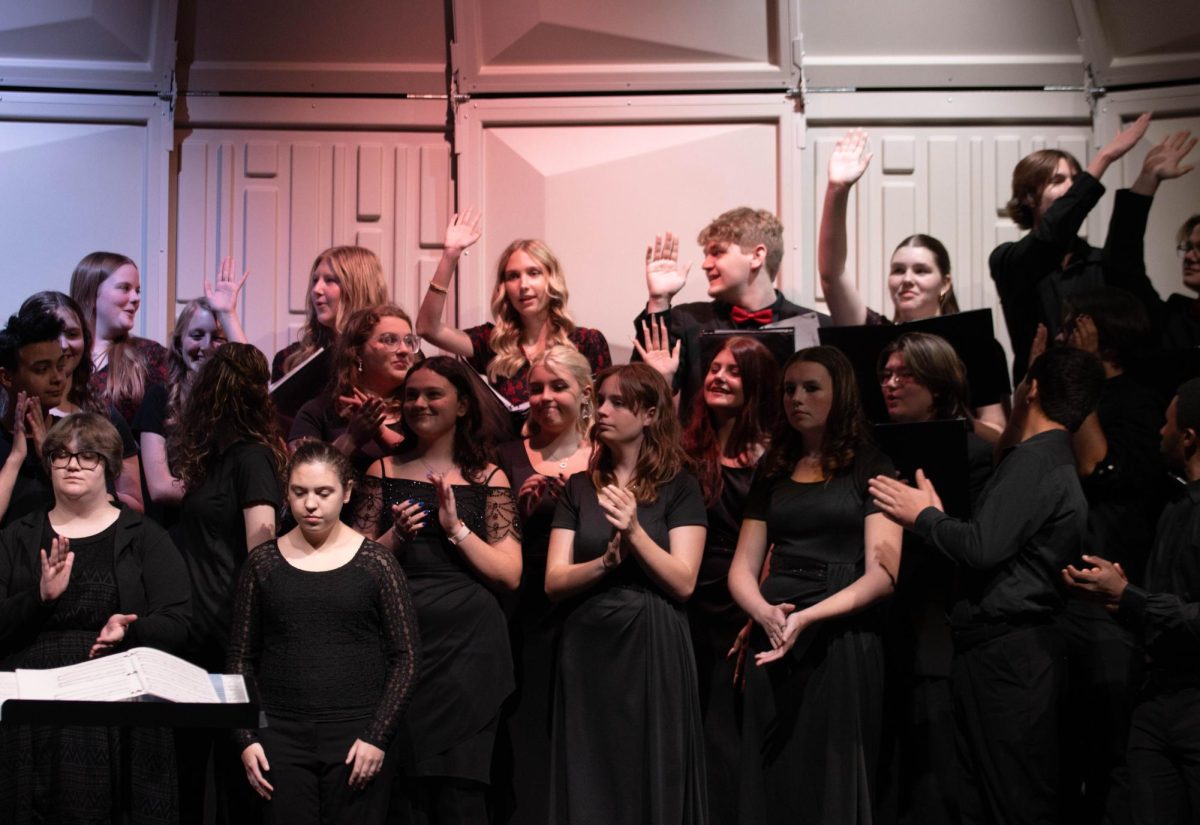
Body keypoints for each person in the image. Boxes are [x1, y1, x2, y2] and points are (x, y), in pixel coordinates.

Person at [869, 346, 1107, 825]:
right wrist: (937, 519)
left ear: (1032, 388)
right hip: (1010, 656)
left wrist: (925, 517)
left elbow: (981, 547)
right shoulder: (1049, 459)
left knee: (1010, 802)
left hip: (1008, 659)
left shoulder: (1034, 461)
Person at [727, 346, 901, 824]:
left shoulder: (871, 465)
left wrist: (809, 617)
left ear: (839, 393)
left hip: (840, 633)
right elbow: (742, 567)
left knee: (831, 773)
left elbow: (883, 577)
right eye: (788, 389)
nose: (795, 398)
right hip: (777, 629)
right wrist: (763, 613)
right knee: (773, 773)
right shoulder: (774, 467)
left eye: (811, 388)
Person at [0, 412, 190, 824]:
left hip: (118, 712)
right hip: (34, 717)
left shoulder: (143, 537)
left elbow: (179, 621)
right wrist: (40, 597)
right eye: (60, 455)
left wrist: (131, 629)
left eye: (86, 456)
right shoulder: (18, 536)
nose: (71, 464)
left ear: (108, 466)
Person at [355, 355, 521, 823]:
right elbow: (356, 570)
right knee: (402, 790)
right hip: (398, 644)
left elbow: (510, 574)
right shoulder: (382, 471)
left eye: (433, 394)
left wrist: (456, 529)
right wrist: (396, 538)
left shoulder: (489, 477)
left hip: (468, 655)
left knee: (459, 792)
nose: (419, 404)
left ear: (463, 405)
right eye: (410, 395)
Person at [545, 362, 708, 824]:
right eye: (602, 401)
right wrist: (604, 563)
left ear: (651, 414)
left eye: (619, 402)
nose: (604, 410)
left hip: (652, 640)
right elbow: (554, 582)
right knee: (591, 770)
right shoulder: (579, 487)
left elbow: (683, 581)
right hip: (588, 642)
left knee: (651, 770)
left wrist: (635, 532)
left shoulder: (680, 487)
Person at [228, 440, 421, 825]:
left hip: (356, 737)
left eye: (323, 492)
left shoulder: (376, 563)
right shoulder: (263, 563)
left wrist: (377, 735)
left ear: (347, 492)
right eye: (299, 492)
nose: (310, 504)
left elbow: (407, 658)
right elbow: (239, 659)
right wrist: (246, 739)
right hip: (279, 738)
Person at [1063, 377, 1200, 825]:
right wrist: (1120, 601)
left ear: (1189, 437)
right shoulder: (1176, 507)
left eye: (1167, 423)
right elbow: (1165, 604)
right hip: (1155, 700)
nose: (1159, 432)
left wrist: (1132, 599)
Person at [873, 332, 995, 825]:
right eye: (886, 374)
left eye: (906, 374)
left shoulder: (972, 452)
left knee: (931, 779)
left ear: (939, 385)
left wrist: (928, 519)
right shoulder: (871, 448)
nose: (892, 383)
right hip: (876, 624)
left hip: (934, 627)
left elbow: (979, 546)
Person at [818, 128, 1007, 434]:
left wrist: (949, 414)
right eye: (898, 270)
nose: (907, 280)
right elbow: (831, 276)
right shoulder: (873, 334)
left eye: (921, 270)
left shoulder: (977, 342)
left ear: (944, 283)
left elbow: (998, 431)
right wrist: (837, 190)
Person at [168, 342, 285, 825]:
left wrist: (247, 634)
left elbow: (263, 547)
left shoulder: (252, 458)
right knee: (188, 773)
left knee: (237, 780)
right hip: (195, 634)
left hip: (229, 633)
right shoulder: (212, 461)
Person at [493, 345, 595, 825]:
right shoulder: (507, 455)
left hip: (588, 605)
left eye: (558, 387)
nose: (545, 397)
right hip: (520, 608)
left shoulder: (606, 456)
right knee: (527, 725)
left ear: (585, 394)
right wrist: (516, 505)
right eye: (536, 388)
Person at [679, 335, 778, 825]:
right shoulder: (687, 445)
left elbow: (778, 538)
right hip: (687, 594)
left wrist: (754, 610)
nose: (718, 377)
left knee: (730, 730)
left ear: (756, 384)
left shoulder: (773, 455)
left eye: (733, 371)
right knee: (689, 723)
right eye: (714, 368)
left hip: (743, 597)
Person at [990, 112, 1162, 382]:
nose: (1072, 187)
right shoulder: (1008, 260)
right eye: (1058, 181)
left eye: (1076, 178)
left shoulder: (1099, 263)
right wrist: (1103, 159)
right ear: (1028, 197)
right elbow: (1048, 238)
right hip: (1040, 398)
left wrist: (1149, 178)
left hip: (1102, 397)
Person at [632, 207, 828, 422]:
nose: (705, 264)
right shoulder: (689, 321)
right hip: (701, 452)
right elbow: (637, 393)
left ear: (756, 256)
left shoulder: (817, 327)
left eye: (717, 252)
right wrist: (659, 300)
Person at [416, 209, 611, 416]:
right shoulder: (492, 342)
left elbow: (603, 412)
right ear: (504, 287)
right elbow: (427, 328)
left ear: (551, 280)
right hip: (507, 448)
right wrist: (450, 256)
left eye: (533, 273)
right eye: (513, 276)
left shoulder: (587, 342)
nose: (523, 285)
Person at [19, 291, 144, 512]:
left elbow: (134, 505)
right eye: (50, 334)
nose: (62, 344)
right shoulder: (11, 419)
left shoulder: (106, 417)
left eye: (72, 333)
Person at [289, 304, 418, 473]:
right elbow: (303, 474)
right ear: (357, 352)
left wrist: (381, 432)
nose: (404, 350)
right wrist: (351, 438)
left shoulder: (418, 409)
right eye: (389, 340)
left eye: (409, 342)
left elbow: (431, 465)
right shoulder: (319, 412)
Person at [69, 251, 169, 427]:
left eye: (137, 291)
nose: (136, 298)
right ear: (91, 294)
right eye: (125, 288)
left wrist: (226, 315)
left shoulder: (149, 355)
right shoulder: (62, 355)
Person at [0, 309, 70, 527]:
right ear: (7, 377)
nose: (58, 378)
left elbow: (99, 511)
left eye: (60, 365)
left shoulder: (75, 435)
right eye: (42, 369)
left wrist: (47, 457)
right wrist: (16, 457)